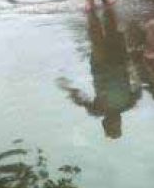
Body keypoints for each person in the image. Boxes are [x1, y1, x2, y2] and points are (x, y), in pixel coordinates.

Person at [57, 8, 142, 139]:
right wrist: (133, 65)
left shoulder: (98, 110)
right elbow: (138, 86)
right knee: (112, 29)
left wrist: (67, 88)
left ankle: (91, 10)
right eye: (118, 125)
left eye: (114, 126)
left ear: (105, 123)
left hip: (101, 64)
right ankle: (105, 5)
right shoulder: (128, 104)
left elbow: (80, 98)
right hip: (119, 62)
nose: (117, 122)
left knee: (97, 35)